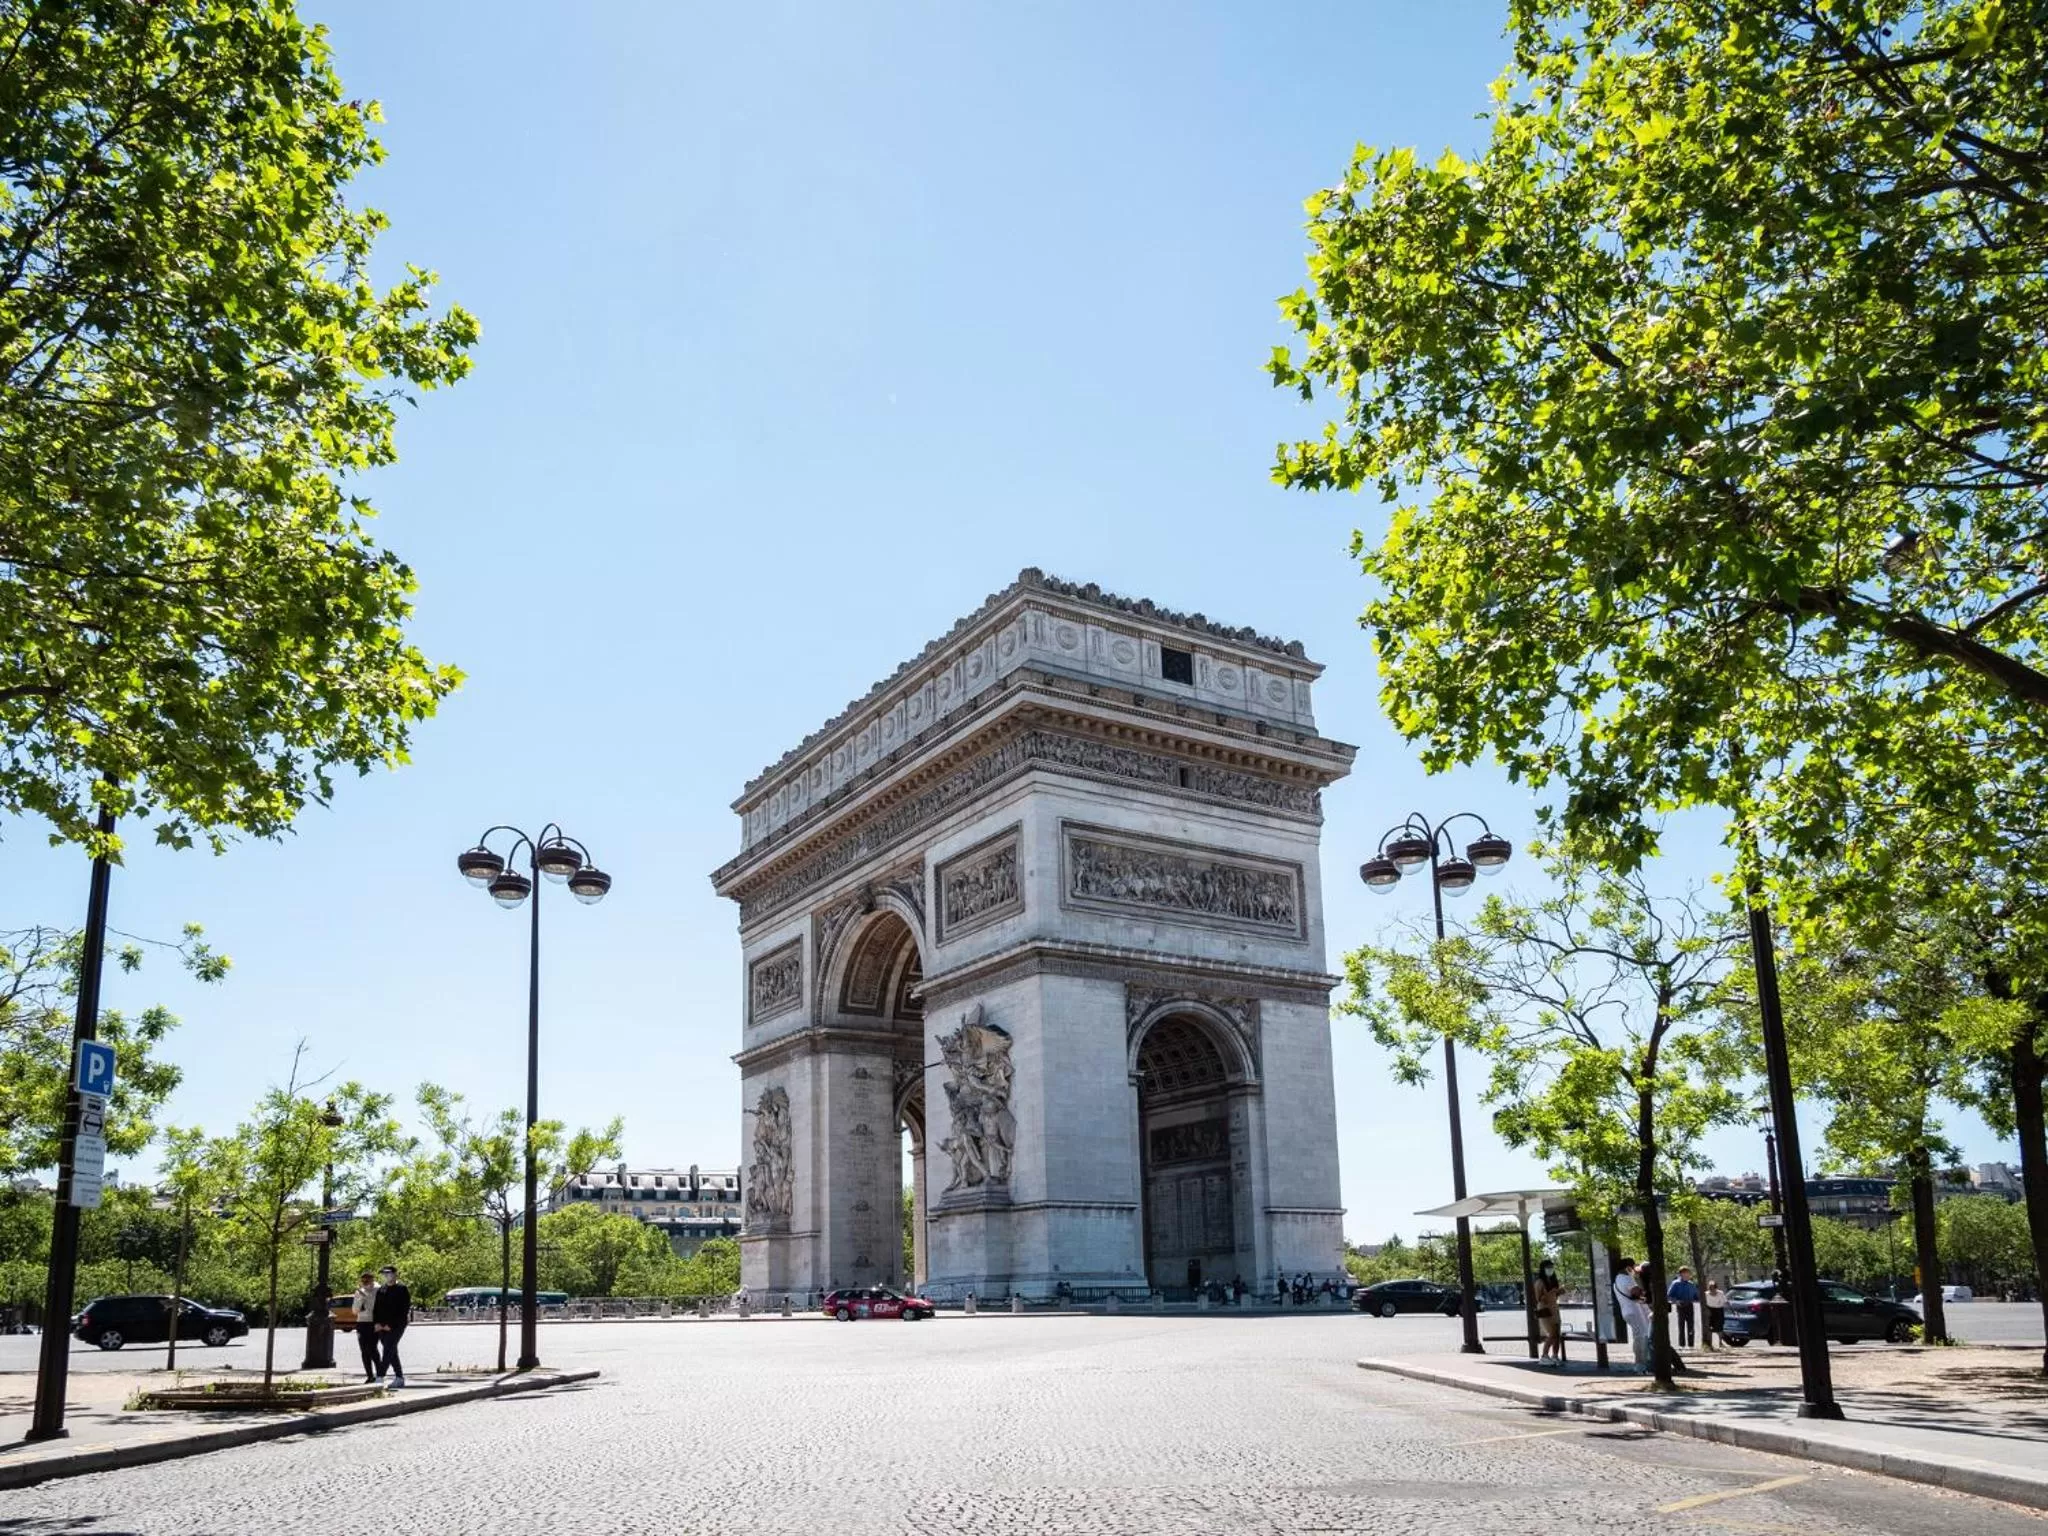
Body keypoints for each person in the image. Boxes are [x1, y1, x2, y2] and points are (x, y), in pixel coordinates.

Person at [371, 1263, 411, 1388]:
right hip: (381, 1326)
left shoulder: (402, 1289)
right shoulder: (382, 1289)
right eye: (384, 1274)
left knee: (388, 1349)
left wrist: (391, 1325)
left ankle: (380, 1377)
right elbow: (376, 1308)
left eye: (388, 1273)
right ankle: (399, 1377)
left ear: (395, 1274)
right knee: (392, 1351)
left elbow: (403, 1310)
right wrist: (377, 1323)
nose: (386, 1276)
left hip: (396, 1326)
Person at [1613, 1257, 1653, 1372]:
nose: (1634, 1269)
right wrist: (1641, 1286)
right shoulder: (1626, 1278)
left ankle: (1640, 1363)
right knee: (1642, 1337)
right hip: (1634, 1312)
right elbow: (1636, 1291)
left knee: (1638, 1336)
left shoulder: (1617, 1279)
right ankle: (1641, 1364)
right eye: (1633, 1266)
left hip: (1627, 1311)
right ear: (1627, 1267)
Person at [351, 1269, 380, 1383]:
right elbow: (354, 1311)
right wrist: (361, 1298)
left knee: (373, 1349)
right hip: (362, 1323)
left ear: (373, 1280)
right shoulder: (359, 1292)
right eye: (363, 1281)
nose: (365, 1283)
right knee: (364, 1350)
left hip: (373, 1322)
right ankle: (369, 1375)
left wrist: (367, 1296)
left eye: (367, 1281)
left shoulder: (378, 1290)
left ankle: (380, 1374)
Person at [1534, 1259, 1564, 1364]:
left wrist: (1559, 1292)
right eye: (1548, 1267)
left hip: (1554, 1308)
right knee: (1552, 1333)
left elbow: (1554, 1296)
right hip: (1544, 1309)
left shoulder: (1553, 1280)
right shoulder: (1540, 1282)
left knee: (1557, 1333)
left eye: (1551, 1267)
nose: (1550, 1269)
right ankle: (1544, 1355)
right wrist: (1551, 1292)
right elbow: (1539, 1298)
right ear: (1543, 1269)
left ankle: (1555, 1355)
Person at [1668, 1265, 1699, 1348]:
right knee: (1681, 1326)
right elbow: (1669, 1296)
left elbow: (1697, 1297)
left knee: (1691, 1326)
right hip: (1680, 1306)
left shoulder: (1691, 1284)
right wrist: (1676, 1301)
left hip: (1689, 1305)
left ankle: (1691, 1345)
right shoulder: (1676, 1283)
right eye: (1685, 1273)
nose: (1687, 1275)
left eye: (1688, 1273)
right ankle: (1682, 1345)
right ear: (1681, 1274)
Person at [1702, 1279, 1725, 1349]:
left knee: (1719, 1328)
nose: (1712, 1289)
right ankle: (1710, 1344)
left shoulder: (1720, 1293)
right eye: (1710, 1287)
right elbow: (1704, 1304)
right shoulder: (1706, 1294)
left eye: (1713, 1287)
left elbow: (1725, 1302)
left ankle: (1720, 1342)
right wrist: (1707, 1310)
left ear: (1716, 1287)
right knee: (1709, 1328)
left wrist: (1733, 1311)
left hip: (1719, 1310)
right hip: (1710, 1310)